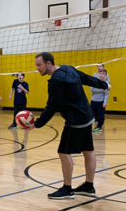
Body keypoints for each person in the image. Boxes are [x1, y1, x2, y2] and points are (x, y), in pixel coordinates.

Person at [25, 52, 110, 199]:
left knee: (63, 152)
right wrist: (104, 84)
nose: (37, 68)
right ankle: (89, 186)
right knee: (88, 150)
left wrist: (37, 124)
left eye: (39, 65)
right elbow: (86, 78)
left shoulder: (56, 82)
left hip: (75, 120)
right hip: (87, 116)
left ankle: (67, 189)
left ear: (49, 64)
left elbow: (51, 107)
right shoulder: (68, 69)